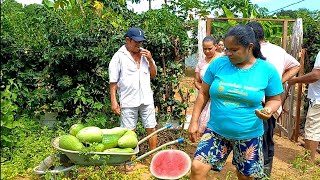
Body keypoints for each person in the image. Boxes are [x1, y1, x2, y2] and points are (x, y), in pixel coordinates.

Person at [188, 25, 283, 180]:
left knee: (245, 177)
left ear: (249, 47)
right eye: (226, 49)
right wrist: (194, 121)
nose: (228, 53)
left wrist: (268, 110)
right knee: (197, 168)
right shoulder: (219, 64)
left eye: (234, 50)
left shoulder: (267, 70)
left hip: (249, 134)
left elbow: (275, 99)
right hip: (216, 131)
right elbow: (203, 93)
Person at [247, 21, 300, 177]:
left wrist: (277, 83)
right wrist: (280, 81)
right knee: (266, 137)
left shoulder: (250, 50)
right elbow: (296, 65)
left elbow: (296, 66)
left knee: (260, 137)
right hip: (271, 102)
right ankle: (263, 171)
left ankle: (260, 171)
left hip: (263, 103)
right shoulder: (278, 50)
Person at [108, 27, 158, 154]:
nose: (139, 45)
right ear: (128, 40)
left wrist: (151, 60)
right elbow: (113, 82)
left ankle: (154, 157)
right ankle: (129, 160)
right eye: (136, 42)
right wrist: (114, 101)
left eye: (141, 42)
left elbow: (153, 75)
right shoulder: (118, 57)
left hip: (146, 99)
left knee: (151, 128)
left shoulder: (145, 55)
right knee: (129, 132)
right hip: (128, 100)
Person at [288, 51, 320, 163]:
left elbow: (316, 75)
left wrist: (295, 80)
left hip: (318, 100)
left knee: (312, 130)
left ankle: (308, 162)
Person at [194, 36, 221, 133]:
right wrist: (204, 90)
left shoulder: (222, 60)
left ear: (216, 46)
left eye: (210, 49)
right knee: (204, 129)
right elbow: (196, 81)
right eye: (204, 49)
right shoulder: (201, 63)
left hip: (219, 99)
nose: (207, 51)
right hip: (205, 100)